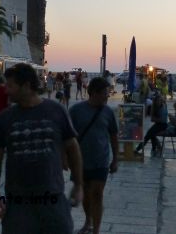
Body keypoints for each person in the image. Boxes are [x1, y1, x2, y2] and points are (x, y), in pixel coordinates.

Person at [0, 63, 83, 234]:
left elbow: (72, 148)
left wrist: (78, 183)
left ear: (26, 86)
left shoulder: (56, 111)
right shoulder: (5, 118)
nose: (6, 90)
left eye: (11, 86)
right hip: (18, 205)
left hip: (53, 200)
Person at [69, 77, 118, 234]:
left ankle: (96, 230)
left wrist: (115, 159)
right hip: (80, 161)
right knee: (86, 195)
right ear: (94, 93)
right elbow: (67, 137)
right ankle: (88, 222)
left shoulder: (108, 112)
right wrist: (64, 157)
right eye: (105, 93)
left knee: (97, 194)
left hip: (101, 161)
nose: (107, 96)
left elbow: (114, 136)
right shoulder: (76, 111)